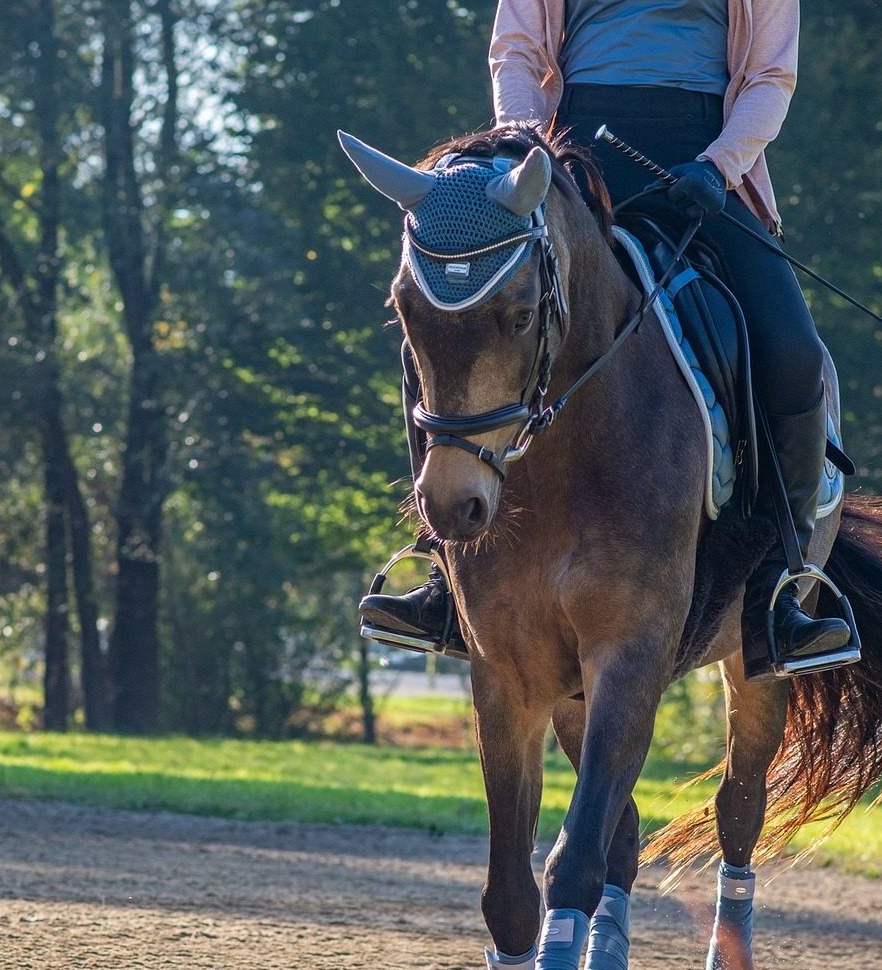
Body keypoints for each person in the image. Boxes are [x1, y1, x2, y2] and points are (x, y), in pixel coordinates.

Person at [359, 0, 852, 679]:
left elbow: (770, 76)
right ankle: (445, 570)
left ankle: (780, 593)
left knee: (794, 356)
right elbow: (519, 54)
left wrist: (718, 166)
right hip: (563, 166)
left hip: (702, 170)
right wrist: (530, 154)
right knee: (451, 322)